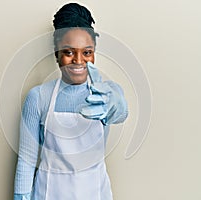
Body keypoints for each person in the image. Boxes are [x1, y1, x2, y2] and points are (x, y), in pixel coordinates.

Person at [14, 3, 128, 200]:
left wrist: (117, 105)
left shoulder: (105, 94)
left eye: (87, 52)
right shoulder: (39, 97)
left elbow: (121, 112)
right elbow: (26, 158)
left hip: (95, 192)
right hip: (49, 192)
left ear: (94, 53)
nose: (78, 60)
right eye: (68, 52)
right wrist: (21, 196)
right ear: (57, 54)